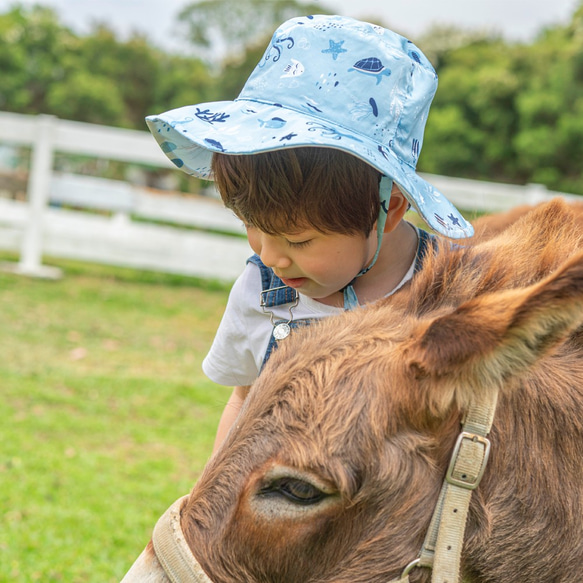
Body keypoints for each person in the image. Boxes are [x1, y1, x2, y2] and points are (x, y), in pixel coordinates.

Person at [146, 14, 474, 451]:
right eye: (252, 227)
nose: (270, 257)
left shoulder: (457, 289)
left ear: (389, 209)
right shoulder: (260, 293)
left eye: (299, 241)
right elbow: (243, 399)